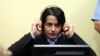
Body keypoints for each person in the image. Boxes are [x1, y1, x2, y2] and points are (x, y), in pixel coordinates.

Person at [8, 5, 96, 56]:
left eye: (57, 25)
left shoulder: (70, 41)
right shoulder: (33, 41)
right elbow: (8, 54)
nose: (53, 29)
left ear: (62, 26)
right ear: (42, 25)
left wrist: (73, 35)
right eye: (49, 25)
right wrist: (31, 34)